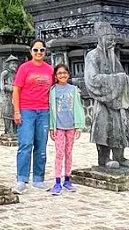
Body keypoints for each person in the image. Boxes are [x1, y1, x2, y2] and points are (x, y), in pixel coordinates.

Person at [85, 22, 129, 170]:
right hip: (102, 101)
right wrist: (117, 80)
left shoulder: (113, 57)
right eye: (109, 39)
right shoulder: (92, 56)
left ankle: (120, 157)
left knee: (120, 127)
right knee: (103, 128)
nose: (112, 42)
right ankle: (104, 158)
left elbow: (121, 75)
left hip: (117, 101)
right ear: (101, 39)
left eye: (113, 39)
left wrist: (122, 80)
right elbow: (91, 79)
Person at [12, 38, 54, 194]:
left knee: (41, 146)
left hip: (43, 111)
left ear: (45, 52)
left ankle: (38, 179)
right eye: (35, 50)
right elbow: (16, 90)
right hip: (27, 110)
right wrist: (17, 111)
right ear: (31, 52)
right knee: (25, 145)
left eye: (41, 50)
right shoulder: (24, 68)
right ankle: (21, 179)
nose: (38, 53)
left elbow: (54, 90)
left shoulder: (50, 70)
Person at [48, 64, 85, 195]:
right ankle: (57, 182)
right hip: (58, 127)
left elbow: (78, 107)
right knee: (59, 153)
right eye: (59, 73)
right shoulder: (52, 90)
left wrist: (79, 125)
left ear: (68, 74)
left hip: (71, 126)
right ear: (56, 76)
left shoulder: (74, 90)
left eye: (64, 73)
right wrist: (51, 127)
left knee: (69, 153)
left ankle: (67, 180)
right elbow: (51, 110)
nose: (62, 75)